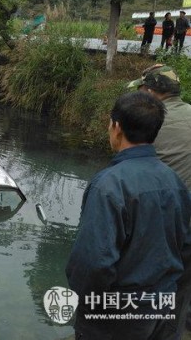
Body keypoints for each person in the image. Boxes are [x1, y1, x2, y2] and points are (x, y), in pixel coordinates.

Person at [66, 91, 191, 340]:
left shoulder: (109, 185)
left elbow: (93, 264)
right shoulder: (174, 180)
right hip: (163, 307)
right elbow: (185, 246)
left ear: (116, 127)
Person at [128, 64, 191, 339]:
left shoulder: (150, 123)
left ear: (152, 92)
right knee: (182, 291)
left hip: (165, 223)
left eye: (142, 90)